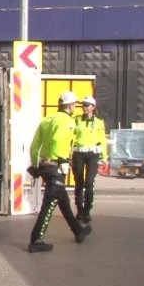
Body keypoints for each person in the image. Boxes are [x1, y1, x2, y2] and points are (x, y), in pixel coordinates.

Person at [26, 91, 92, 253]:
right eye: (75, 105)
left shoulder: (47, 120)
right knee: (49, 205)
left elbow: (34, 146)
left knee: (63, 201)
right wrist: (59, 158)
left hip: (44, 166)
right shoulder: (68, 122)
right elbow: (58, 140)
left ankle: (78, 231)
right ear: (70, 106)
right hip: (56, 167)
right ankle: (36, 240)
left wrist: (36, 164)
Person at [72, 96, 107, 223]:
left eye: (87, 105)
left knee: (89, 183)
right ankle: (80, 210)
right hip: (79, 154)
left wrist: (104, 157)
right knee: (79, 182)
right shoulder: (76, 120)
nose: (85, 107)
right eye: (83, 105)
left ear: (93, 107)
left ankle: (87, 211)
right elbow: (70, 137)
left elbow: (102, 139)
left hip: (93, 154)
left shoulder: (98, 122)